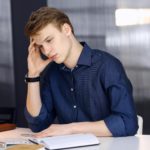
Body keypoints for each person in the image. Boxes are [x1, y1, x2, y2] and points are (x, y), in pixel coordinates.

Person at [24, 6, 138, 138]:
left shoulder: (107, 66)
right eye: (41, 47)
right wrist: (33, 75)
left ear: (66, 29)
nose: (47, 51)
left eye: (49, 40)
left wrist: (71, 129)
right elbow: (37, 124)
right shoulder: (51, 73)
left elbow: (127, 123)